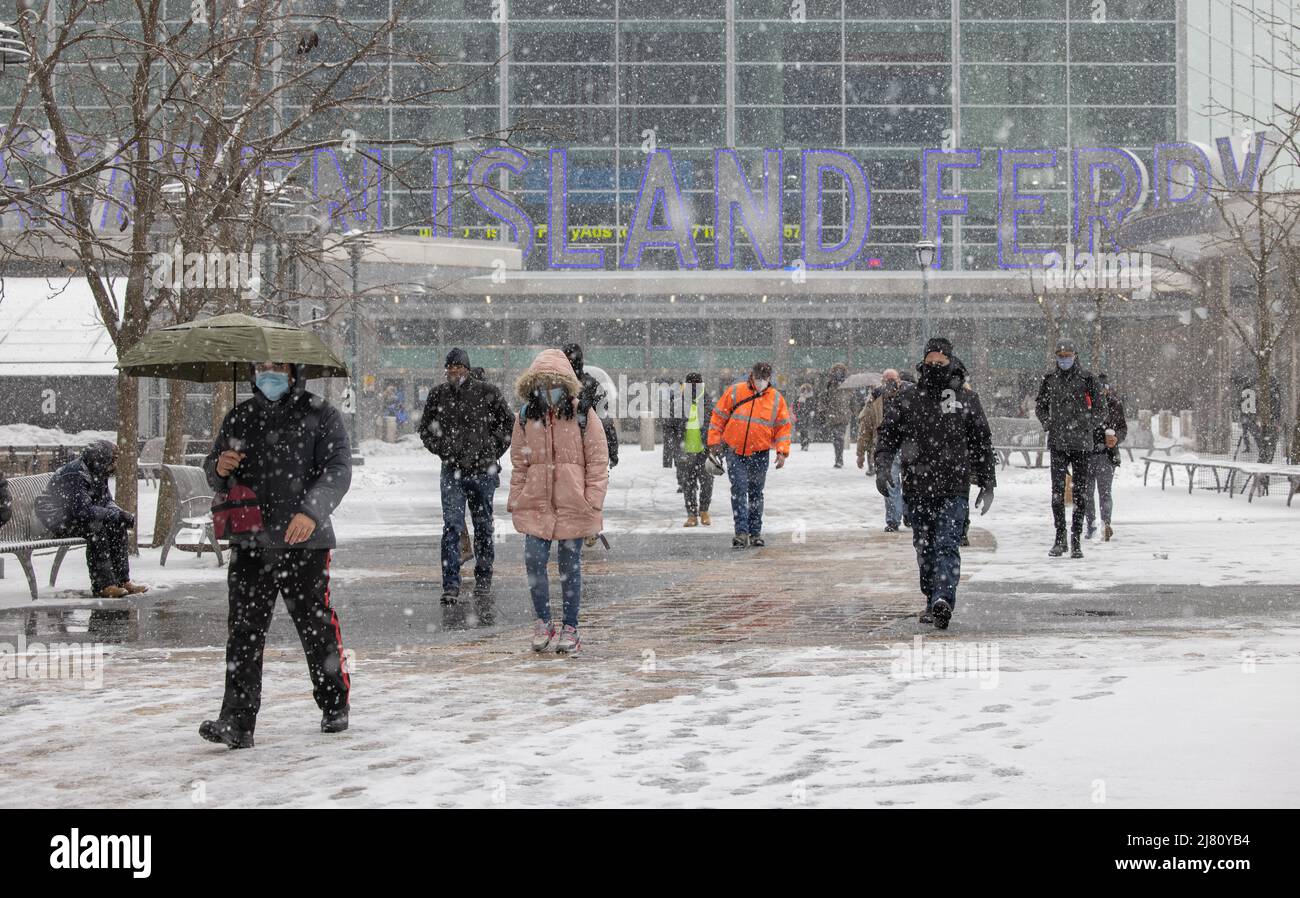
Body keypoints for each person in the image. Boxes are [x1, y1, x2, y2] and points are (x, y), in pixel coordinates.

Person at [199, 361, 352, 749]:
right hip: (251, 541)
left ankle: (334, 703)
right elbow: (214, 471)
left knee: (315, 627)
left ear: (293, 370)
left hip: (305, 540)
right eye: (262, 367)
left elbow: (337, 470)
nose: (269, 374)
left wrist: (311, 512)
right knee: (244, 633)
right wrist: (219, 467)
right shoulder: (240, 416)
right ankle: (236, 721)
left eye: (277, 367)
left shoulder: (321, 413)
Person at [875, 339, 996, 630]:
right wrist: (882, 467)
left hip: (954, 486)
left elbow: (981, 441)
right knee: (924, 547)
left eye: (941, 362)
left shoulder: (965, 399)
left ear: (951, 362)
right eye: (930, 361)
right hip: (917, 486)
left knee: (947, 544)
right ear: (922, 362)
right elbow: (888, 434)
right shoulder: (909, 398)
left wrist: (987, 482)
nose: (935, 366)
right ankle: (931, 597)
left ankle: (943, 597)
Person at [507, 349, 610, 654]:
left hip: (572, 503)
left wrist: (592, 500)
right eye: (542, 381)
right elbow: (519, 462)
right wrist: (516, 496)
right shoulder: (526, 416)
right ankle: (543, 621)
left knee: (570, 566)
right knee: (534, 560)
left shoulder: (582, 415)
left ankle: (571, 627)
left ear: (566, 382)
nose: (548, 387)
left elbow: (597, 461)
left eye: (554, 381)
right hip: (537, 503)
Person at [418, 347, 515, 610]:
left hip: (482, 470)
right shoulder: (438, 394)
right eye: (450, 369)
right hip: (452, 470)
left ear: (467, 369)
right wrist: (442, 449)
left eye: (458, 368)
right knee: (451, 525)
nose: (454, 373)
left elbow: (508, 424)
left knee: (483, 524)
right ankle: (451, 584)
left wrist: (492, 450)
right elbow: (425, 428)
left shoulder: (487, 393)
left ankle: (483, 576)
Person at [33, 440, 146, 599]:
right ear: (102, 459)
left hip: (73, 516)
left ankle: (122, 580)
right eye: (114, 459)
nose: (116, 463)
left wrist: (119, 514)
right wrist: (113, 515)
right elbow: (82, 511)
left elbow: (106, 500)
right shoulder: (75, 474)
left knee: (117, 526)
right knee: (96, 529)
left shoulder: (97, 470)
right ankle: (103, 585)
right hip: (56, 518)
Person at [707, 361, 793, 548]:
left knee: (755, 493)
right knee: (739, 489)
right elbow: (718, 417)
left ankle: (755, 533)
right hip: (735, 451)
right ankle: (741, 532)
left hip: (760, 453)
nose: (761, 381)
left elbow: (783, 428)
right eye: (758, 377)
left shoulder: (776, 399)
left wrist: (782, 451)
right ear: (751, 375)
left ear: (769, 378)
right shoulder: (736, 391)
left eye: (764, 378)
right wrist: (714, 443)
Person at [1035, 338, 1105, 559]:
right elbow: (1040, 405)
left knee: (1080, 493)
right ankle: (1060, 538)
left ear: (1075, 356)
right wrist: (1048, 423)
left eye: (1068, 355)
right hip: (1058, 442)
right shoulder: (1050, 379)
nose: (1064, 359)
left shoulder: (1087, 379)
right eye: (1060, 356)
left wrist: (1087, 425)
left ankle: (1076, 539)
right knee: (1057, 493)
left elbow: (1100, 409)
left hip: (1082, 444)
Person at [859, 369, 909, 531]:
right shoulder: (875, 399)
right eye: (887, 379)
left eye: (893, 379)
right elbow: (865, 425)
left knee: (911, 484)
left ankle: (909, 515)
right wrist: (860, 452)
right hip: (887, 446)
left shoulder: (910, 395)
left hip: (909, 445)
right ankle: (893, 520)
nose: (890, 382)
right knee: (891, 482)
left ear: (899, 380)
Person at [1086, 373, 1127, 542]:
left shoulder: (1115, 405)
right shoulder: (1087, 404)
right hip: (1086, 454)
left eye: (1106, 389)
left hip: (1106, 456)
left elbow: (1122, 428)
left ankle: (1105, 524)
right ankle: (1091, 525)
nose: (1103, 392)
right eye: (1100, 389)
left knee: (1105, 492)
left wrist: (1116, 437)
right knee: (1086, 493)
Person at [677, 372, 714, 527]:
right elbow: (672, 427)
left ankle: (704, 511)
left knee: (706, 482)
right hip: (687, 450)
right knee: (688, 483)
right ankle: (692, 514)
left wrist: (715, 447)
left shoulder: (706, 401)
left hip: (704, 449)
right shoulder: (680, 402)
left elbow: (715, 425)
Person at [823, 363, 856, 468]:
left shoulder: (848, 385)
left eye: (840, 370)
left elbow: (853, 400)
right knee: (836, 438)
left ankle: (839, 459)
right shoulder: (829, 384)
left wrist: (854, 411)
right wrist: (824, 410)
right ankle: (838, 457)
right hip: (832, 414)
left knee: (839, 437)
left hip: (843, 415)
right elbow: (824, 398)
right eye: (836, 370)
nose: (838, 373)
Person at [795, 383, 816, 451]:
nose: (805, 392)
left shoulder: (811, 398)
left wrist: (812, 411)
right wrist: (796, 412)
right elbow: (795, 406)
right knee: (801, 431)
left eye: (807, 390)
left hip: (807, 416)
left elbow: (813, 406)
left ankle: (806, 444)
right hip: (800, 416)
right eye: (804, 390)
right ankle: (803, 443)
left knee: (806, 430)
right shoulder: (799, 398)